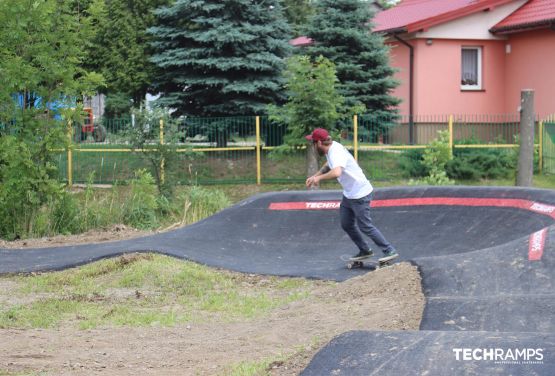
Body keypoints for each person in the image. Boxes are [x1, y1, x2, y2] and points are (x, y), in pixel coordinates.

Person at [305, 128, 399, 262]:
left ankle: (389, 249)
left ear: (319, 143)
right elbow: (329, 164)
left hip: (360, 193)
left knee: (365, 226)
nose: (313, 147)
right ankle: (365, 250)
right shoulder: (331, 149)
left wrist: (319, 179)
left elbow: (337, 172)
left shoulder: (335, 151)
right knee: (346, 223)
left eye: (313, 143)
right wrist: (316, 175)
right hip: (350, 194)